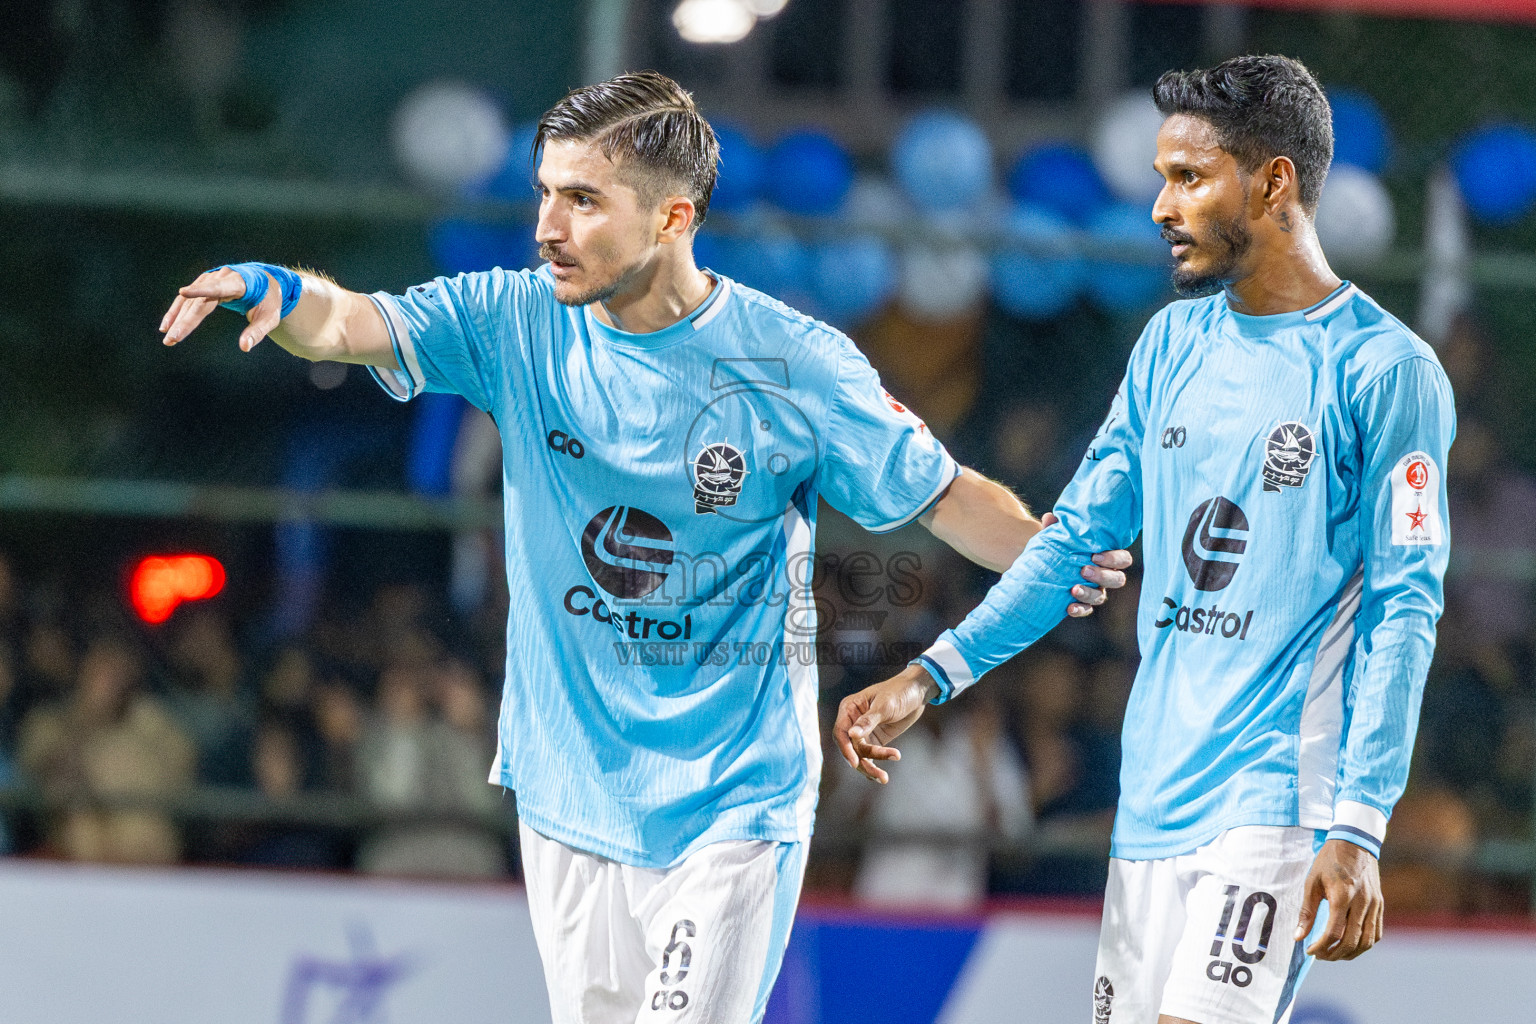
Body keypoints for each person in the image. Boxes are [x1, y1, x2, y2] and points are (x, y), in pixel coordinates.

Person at [156, 72, 1132, 1024]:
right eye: (545, 194)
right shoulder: (511, 319)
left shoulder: (794, 363)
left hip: (734, 801)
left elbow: (946, 497)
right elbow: (351, 323)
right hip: (569, 795)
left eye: (583, 200)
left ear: (673, 217)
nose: (548, 226)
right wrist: (277, 289)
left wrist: (1057, 551)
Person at [836, 55, 1453, 1024]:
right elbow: (1070, 542)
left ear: (1274, 183)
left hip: (1277, 798)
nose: (1162, 207)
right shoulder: (1170, 345)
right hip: (1154, 798)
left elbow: (1404, 610)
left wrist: (1360, 822)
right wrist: (930, 675)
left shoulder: (1385, 371)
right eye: (1163, 178)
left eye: (1190, 178)